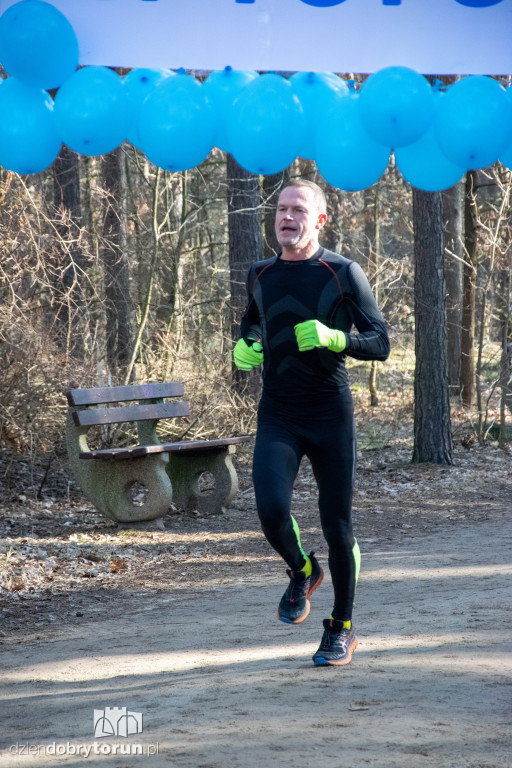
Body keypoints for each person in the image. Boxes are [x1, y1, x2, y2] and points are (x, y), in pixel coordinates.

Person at [233, 179, 390, 666]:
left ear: (319, 219)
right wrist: (246, 345)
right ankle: (302, 569)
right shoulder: (259, 273)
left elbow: (381, 342)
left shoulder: (342, 272)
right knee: (270, 510)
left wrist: (334, 338)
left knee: (337, 526)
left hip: (328, 414)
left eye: (299, 209)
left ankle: (341, 628)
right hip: (278, 414)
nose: (287, 216)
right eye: (281, 208)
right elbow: (252, 321)